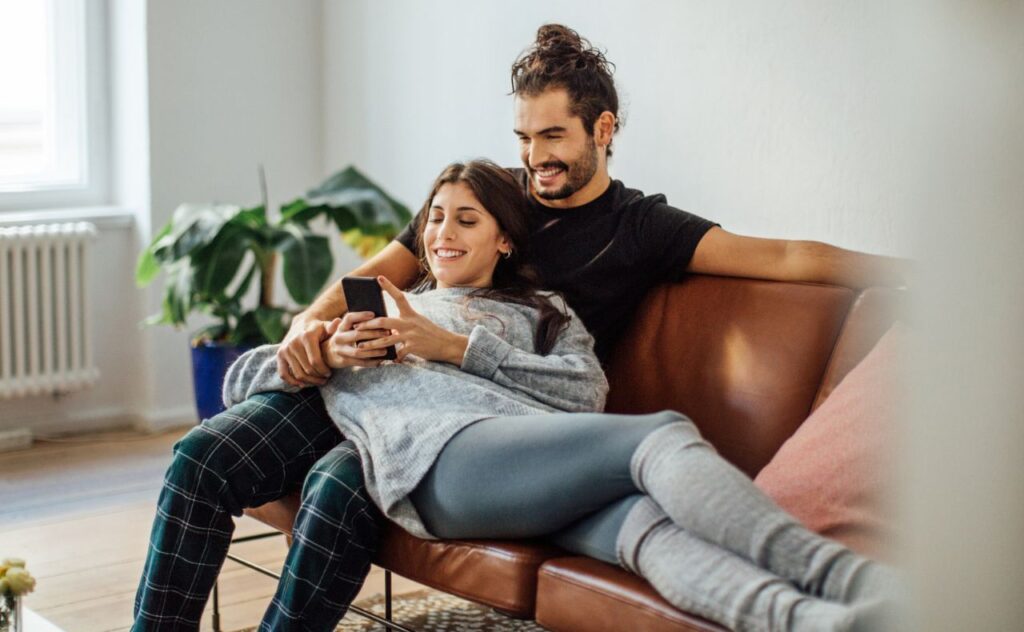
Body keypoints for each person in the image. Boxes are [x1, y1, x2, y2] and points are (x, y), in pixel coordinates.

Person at [133, 24, 906, 631]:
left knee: (640, 525)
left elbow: (783, 254)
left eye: (554, 138)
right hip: (383, 395)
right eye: (524, 139)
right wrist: (308, 332)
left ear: (603, 129)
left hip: (496, 426)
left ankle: (830, 615)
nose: (535, 160)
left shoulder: (640, 228)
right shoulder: (487, 196)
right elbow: (369, 282)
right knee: (205, 461)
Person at [225, 160, 895, 632]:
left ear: (503, 239)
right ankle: (849, 580)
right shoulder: (385, 314)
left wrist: (455, 346)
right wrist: (310, 349)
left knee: (646, 532)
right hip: (439, 461)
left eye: (465, 219)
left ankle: (818, 621)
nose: (442, 233)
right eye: (434, 221)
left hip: (532, 466)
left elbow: (584, 394)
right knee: (657, 434)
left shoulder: (544, 311)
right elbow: (241, 382)